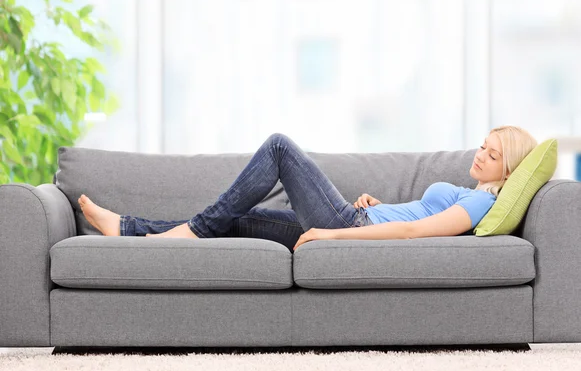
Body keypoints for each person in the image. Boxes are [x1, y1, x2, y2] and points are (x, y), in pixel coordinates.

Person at [77, 126, 537, 252]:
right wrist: (383, 206)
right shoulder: (471, 190)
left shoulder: (482, 202)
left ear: (510, 169)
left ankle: (190, 232)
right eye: (482, 146)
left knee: (279, 148)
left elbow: (415, 235)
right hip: (360, 218)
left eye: (493, 155)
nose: (480, 156)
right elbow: (409, 219)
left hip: (347, 226)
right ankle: (127, 228)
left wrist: (336, 234)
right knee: (237, 223)